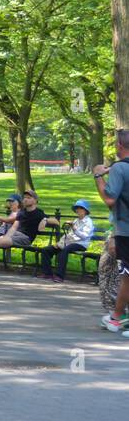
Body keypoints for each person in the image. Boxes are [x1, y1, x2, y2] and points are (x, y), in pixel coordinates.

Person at [93, 129, 129, 335]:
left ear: (120, 146)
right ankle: (117, 315)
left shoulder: (119, 168)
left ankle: (117, 316)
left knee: (127, 276)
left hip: (125, 230)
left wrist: (98, 175)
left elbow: (109, 199)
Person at [37, 199, 95, 281]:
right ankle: (47, 273)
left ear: (85, 211)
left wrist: (74, 228)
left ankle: (59, 276)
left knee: (64, 250)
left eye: (80, 208)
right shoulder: (76, 220)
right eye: (77, 208)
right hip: (70, 243)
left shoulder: (88, 222)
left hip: (81, 244)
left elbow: (84, 236)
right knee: (46, 250)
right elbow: (69, 235)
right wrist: (60, 243)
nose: (78, 210)